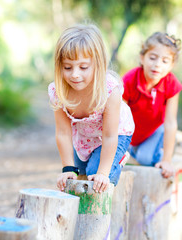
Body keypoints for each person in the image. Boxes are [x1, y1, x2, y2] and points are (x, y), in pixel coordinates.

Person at [48, 23, 135, 193]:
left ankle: (119, 159)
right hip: (84, 136)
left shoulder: (109, 90)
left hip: (115, 134)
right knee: (77, 177)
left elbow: (110, 135)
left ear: (98, 64)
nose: (74, 74)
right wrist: (67, 168)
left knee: (95, 176)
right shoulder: (59, 91)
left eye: (83, 67)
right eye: (67, 67)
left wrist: (103, 172)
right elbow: (63, 133)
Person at [122, 32, 182, 178]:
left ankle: (161, 152)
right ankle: (135, 149)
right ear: (142, 57)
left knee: (145, 159)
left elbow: (170, 123)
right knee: (123, 157)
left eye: (165, 61)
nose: (157, 65)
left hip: (154, 132)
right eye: (153, 58)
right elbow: (118, 117)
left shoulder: (171, 84)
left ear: (171, 65)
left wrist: (167, 161)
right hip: (130, 133)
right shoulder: (129, 80)